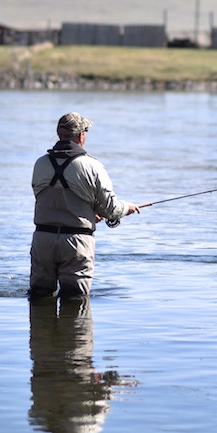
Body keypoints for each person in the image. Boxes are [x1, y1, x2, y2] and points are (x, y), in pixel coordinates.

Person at [29, 112, 139, 299]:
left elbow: (45, 199)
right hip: (77, 243)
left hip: (42, 241)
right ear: (81, 135)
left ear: (59, 133)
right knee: (76, 305)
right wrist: (126, 208)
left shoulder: (40, 164)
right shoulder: (93, 166)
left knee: (39, 299)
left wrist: (87, 211)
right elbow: (111, 209)